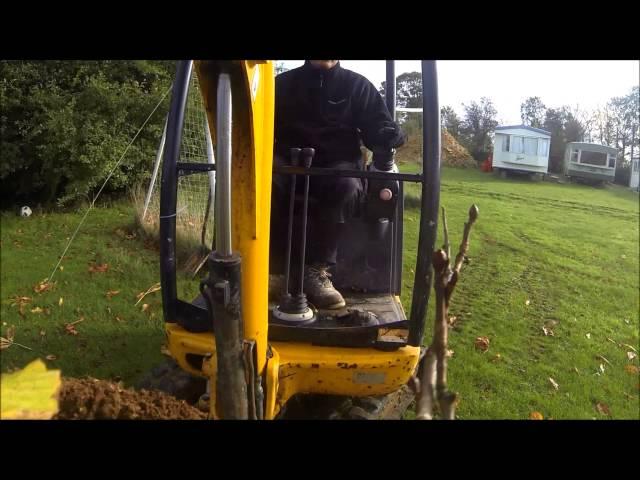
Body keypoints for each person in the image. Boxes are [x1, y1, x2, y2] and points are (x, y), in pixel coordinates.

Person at [270, 60, 406, 309]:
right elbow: (260, 124)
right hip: (289, 162)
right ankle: (275, 271)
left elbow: (378, 127)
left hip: (337, 164)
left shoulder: (357, 87)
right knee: (261, 180)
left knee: (347, 186)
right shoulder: (283, 85)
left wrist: (388, 134)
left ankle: (316, 271)